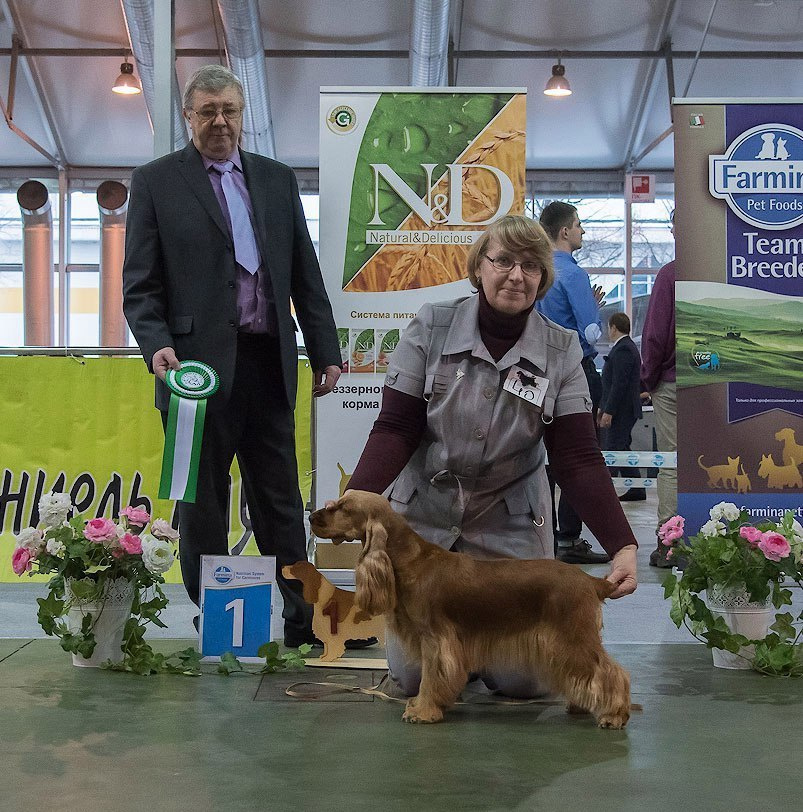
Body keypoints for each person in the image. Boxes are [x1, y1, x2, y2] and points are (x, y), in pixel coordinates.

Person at [345, 214, 638, 697]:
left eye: (531, 266)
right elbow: (396, 429)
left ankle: (475, 654)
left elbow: (577, 458)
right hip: (426, 525)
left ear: (543, 277)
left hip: (509, 528)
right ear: (479, 266)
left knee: (526, 683)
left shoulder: (562, 349)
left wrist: (622, 544)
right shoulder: (431, 325)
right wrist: (356, 500)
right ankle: (464, 653)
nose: (516, 276)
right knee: (412, 677)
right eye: (503, 261)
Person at [122, 65, 343, 647]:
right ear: (188, 117)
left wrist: (325, 348)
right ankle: (217, 618)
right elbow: (139, 286)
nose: (220, 121)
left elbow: (304, 272)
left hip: (269, 364)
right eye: (207, 112)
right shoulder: (155, 182)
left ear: (242, 115)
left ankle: (306, 618)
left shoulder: (276, 179)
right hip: (192, 370)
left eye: (230, 110)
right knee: (202, 500)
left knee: (280, 498)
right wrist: (156, 343)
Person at [536, 201, 609, 564]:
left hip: (535, 372)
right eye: (579, 225)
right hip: (575, 371)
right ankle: (569, 538)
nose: (582, 231)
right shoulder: (574, 274)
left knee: (540, 458)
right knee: (578, 457)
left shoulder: (536, 270)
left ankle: (542, 537)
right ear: (565, 231)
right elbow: (591, 333)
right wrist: (591, 310)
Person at [640, 209, 676, 568]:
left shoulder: (670, 274)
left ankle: (670, 543)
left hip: (675, 384)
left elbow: (654, 335)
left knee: (672, 464)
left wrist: (648, 379)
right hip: (718, 387)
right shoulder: (721, 270)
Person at [598, 312, 645, 501]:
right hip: (623, 408)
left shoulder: (623, 349)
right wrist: (603, 407)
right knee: (622, 447)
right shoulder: (625, 347)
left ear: (613, 327)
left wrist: (609, 411)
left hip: (622, 410)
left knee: (612, 449)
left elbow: (619, 384)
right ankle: (637, 488)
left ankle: (603, 493)